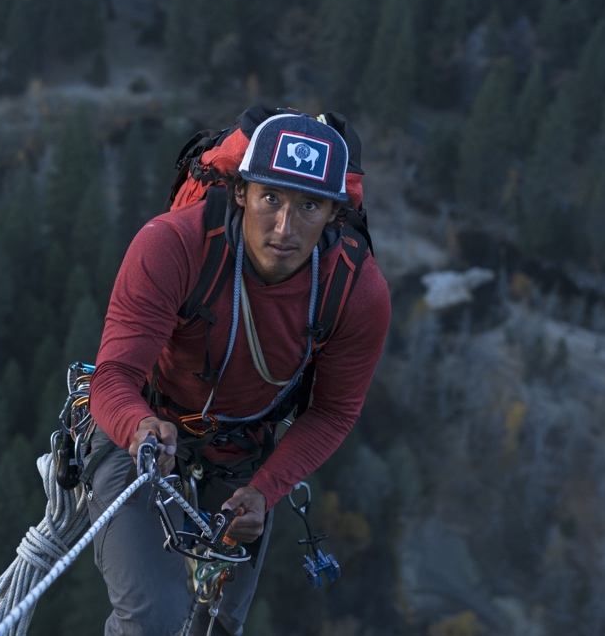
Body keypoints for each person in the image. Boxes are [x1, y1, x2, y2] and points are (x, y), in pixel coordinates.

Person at [84, 111, 391, 635]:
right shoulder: (173, 244)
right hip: (141, 436)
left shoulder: (355, 291)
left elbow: (334, 413)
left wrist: (266, 490)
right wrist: (139, 429)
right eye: (271, 198)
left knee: (217, 629)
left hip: (242, 454)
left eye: (309, 206)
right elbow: (112, 377)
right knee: (152, 623)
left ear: (334, 215)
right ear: (242, 191)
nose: (284, 228)